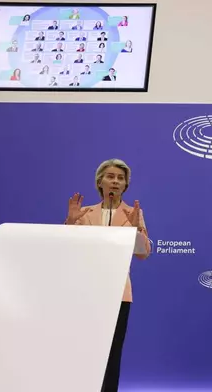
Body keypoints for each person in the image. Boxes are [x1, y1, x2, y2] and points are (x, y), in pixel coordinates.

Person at [64, 158, 151, 392]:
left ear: (125, 186)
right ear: (100, 182)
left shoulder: (133, 213)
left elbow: (143, 253)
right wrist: (70, 222)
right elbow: (66, 248)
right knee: (85, 349)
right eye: (111, 177)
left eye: (121, 178)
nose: (115, 181)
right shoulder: (83, 213)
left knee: (112, 352)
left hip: (118, 294)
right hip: (87, 291)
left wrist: (135, 229)